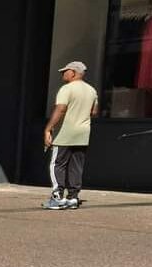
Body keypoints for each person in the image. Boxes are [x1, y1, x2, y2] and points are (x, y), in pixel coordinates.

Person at [44, 61, 98, 210]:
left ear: (73, 73)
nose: (63, 74)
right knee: (76, 166)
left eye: (65, 71)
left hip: (65, 133)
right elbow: (94, 112)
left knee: (57, 164)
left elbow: (60, 109)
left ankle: (57, 197)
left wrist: (48, 129)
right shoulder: (92, 90)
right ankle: (73, 197)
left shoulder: (66, 89)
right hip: (82, 134)